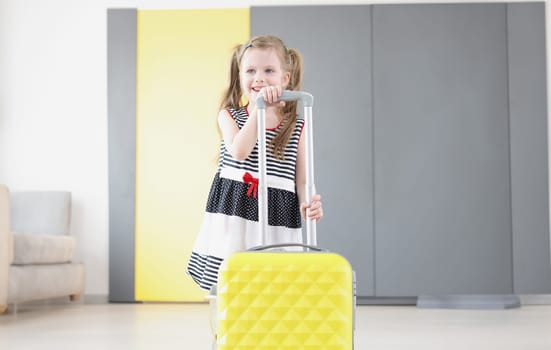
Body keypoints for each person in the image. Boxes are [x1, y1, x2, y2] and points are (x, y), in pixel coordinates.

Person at [186, 35, 323, 291]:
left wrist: (308, 201)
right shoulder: (229, 116)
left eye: (269, 70)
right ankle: (229, 325)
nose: (259, 78)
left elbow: (302, 181)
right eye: (250, 71)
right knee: (230, 281)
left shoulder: (296, 127)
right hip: (236, 211)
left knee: (275, 283)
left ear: (285, 78)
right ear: (240, 77)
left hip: (275, 215)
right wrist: (262, 111)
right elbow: (239, 151)